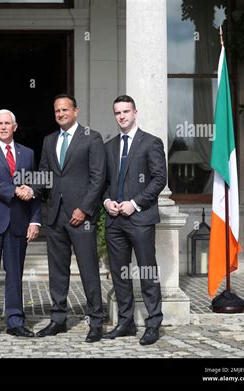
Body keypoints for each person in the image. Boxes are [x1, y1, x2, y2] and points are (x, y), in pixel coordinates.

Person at [33, 94, 106, 343]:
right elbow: (44, 173)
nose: (61, 113)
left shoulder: (91, 137)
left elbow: (98, 177)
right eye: (57, 111)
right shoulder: (49, 140)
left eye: (65, 109)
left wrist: (84, 209)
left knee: (88, 269)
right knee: (58, 271)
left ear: (76, 111)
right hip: (55, 216)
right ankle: (58, 319)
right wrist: (30, 189)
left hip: (81, 216)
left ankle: (96, 321)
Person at [102, 95, 166, 345]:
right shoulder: (109, 147)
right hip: (114, 220)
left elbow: (159, 179)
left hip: (140, 218)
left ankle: (153, 323)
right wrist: (108, 202)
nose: (122, 116)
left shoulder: (151, 142)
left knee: (147, 271)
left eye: (126, 111)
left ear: (135, 112)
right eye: (117, 112)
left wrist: (135, 203)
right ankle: (125, 322)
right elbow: (104, 183)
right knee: (119, 274)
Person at [0, 109, 41, 342]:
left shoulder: (28, 153)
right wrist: (13, 190)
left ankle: (15, 322)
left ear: (15, 126)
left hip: (18, 223)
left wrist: (35, 219)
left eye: (7, 123)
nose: (3, 127)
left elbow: (33, 189)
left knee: (15, 275)